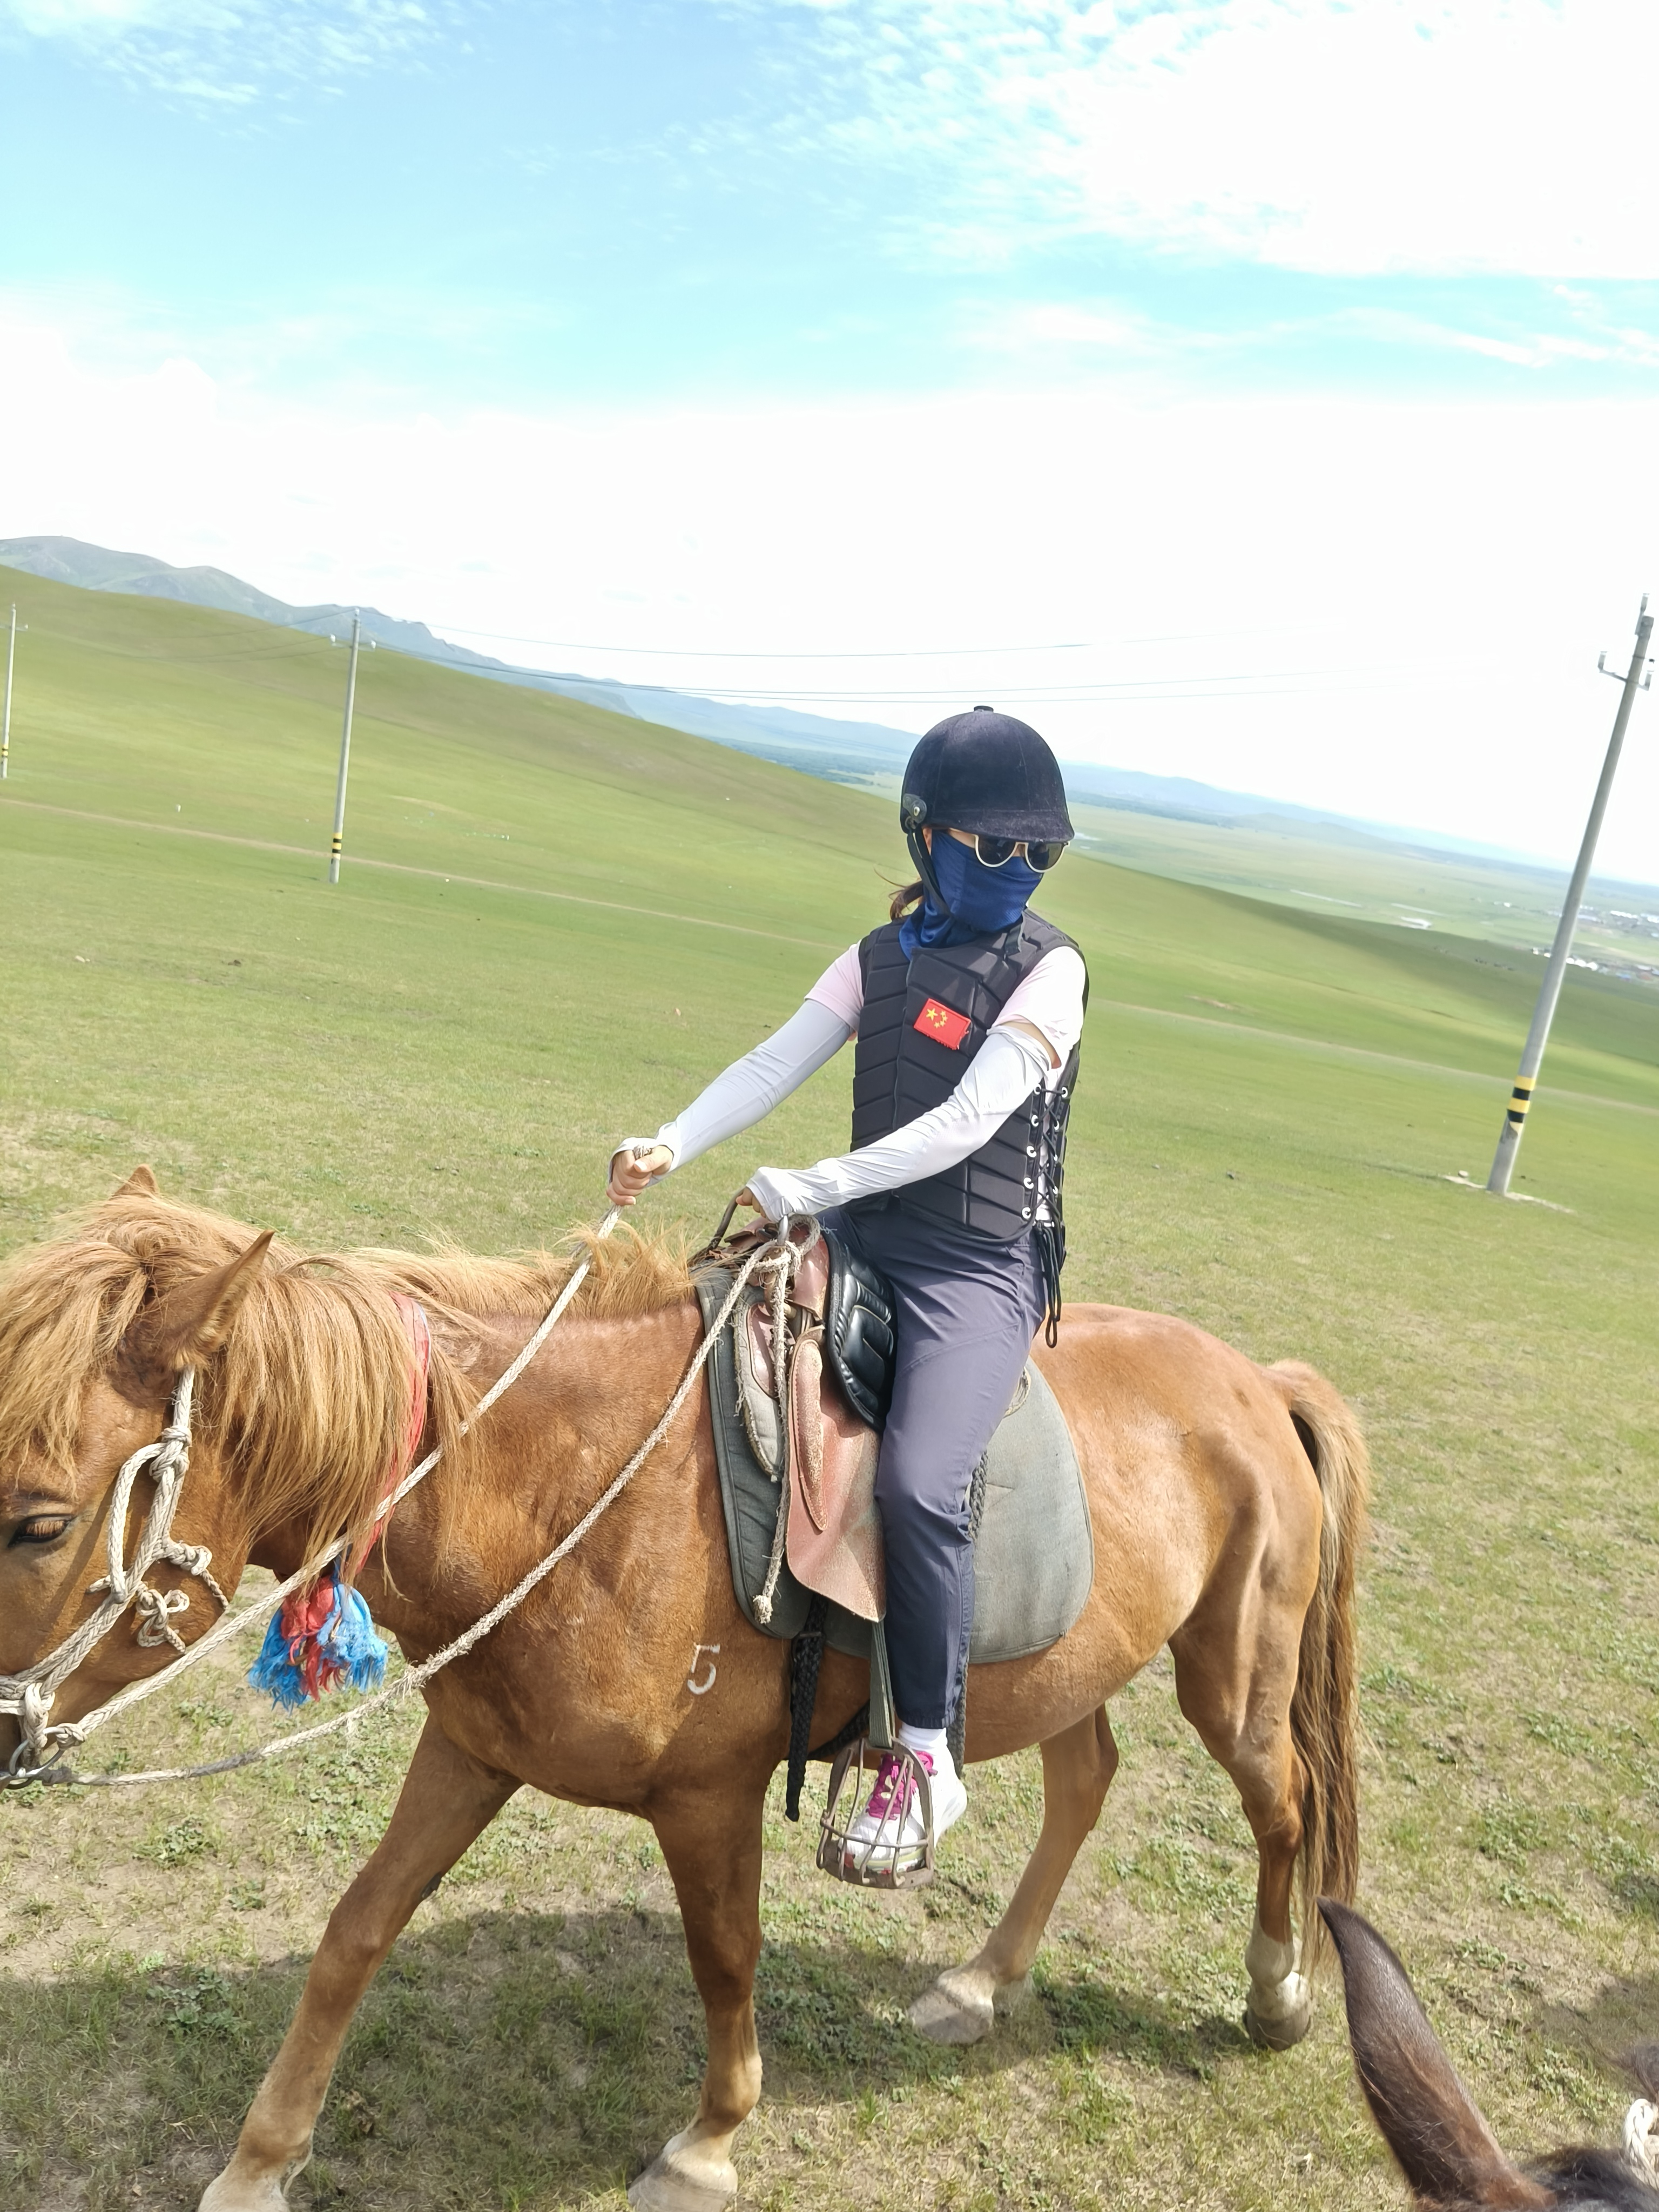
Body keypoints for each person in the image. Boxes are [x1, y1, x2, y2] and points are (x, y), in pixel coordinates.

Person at [608, 706, 1087, 1866]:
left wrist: (810, 1182)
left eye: (1041, 853)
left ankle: (925, 1752)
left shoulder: (1053, 970)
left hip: (974, 1268)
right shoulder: (879, 957)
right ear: (928, 835)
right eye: (997, 846)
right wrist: (676, 1138)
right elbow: (778, 1059)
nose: (1019, 869)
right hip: (867, 1230)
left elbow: (968, 1121)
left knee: (920, 1484)